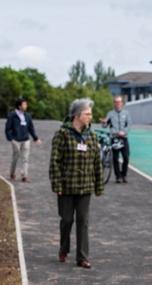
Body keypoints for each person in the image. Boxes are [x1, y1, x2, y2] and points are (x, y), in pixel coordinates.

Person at [49, 98, 104, 269]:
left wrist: (98, 184)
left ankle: (82, 257)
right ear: (77, 115)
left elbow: (97, 162)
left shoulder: (92, 136)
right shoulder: (62, 134)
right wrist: (57, 185)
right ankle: (63, 249)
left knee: (83, 221)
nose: (90, 116)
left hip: (85, 186)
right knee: (66, 220)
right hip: (66, 186)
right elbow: (55, 161)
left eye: (90, 113)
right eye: (87, 114)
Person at [5, 97, 42, 182]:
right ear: (19, 106)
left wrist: (35, 138)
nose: (26, 106)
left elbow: (31, 128)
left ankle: (24, 176)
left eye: (26, 104)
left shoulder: (27, 116)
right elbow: (8, 128)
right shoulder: (12, 115)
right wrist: (11, 139)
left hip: (26, 140)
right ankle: (12, 173)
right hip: (15, 140)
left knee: (25, 158)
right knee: (16, 157)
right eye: (24, 104)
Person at [101, 96, 132, 183]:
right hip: (114, 138)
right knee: (115, 158)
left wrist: (124, 132)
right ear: (114, 103)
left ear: (122, 103)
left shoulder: (126, 113)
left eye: (119, 102)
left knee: (126, 157)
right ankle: (118, 176)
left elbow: (129, 125)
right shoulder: (110, 114)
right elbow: (105, 125)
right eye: (116, 102)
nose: (117, 104)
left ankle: (124, 175)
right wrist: (103, 122)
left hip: (123, 138)